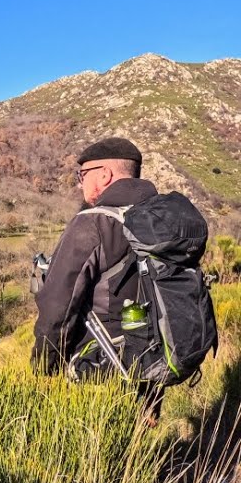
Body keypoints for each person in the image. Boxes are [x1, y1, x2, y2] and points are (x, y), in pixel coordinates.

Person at [31, 137, 166, 415]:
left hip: (100, 367)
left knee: (97, 453)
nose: (81, 183)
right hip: (154, 360)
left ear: (105, 174)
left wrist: (44, 366)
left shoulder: (92, 223)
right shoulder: (160, 219)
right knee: (138, 449)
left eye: (83, 174)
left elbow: (58, 305)